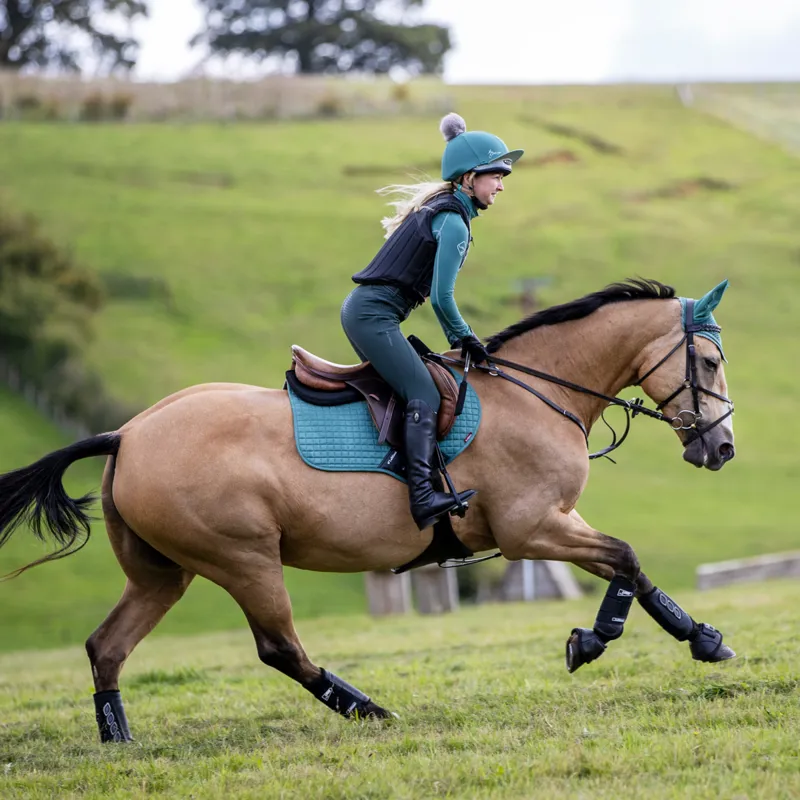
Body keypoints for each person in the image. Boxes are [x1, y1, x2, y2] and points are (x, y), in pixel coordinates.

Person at [341, 113, 524, 530]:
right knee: (424, 391)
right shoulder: (453, 221)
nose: (500, 185)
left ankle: (390, 473)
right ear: (468, 178)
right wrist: (466, 338)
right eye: (495, 176)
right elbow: (442, 298)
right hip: (372, 316)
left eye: (502, 177)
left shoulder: (446, 212)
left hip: (368, 313)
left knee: (411, 389)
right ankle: (422, 498)